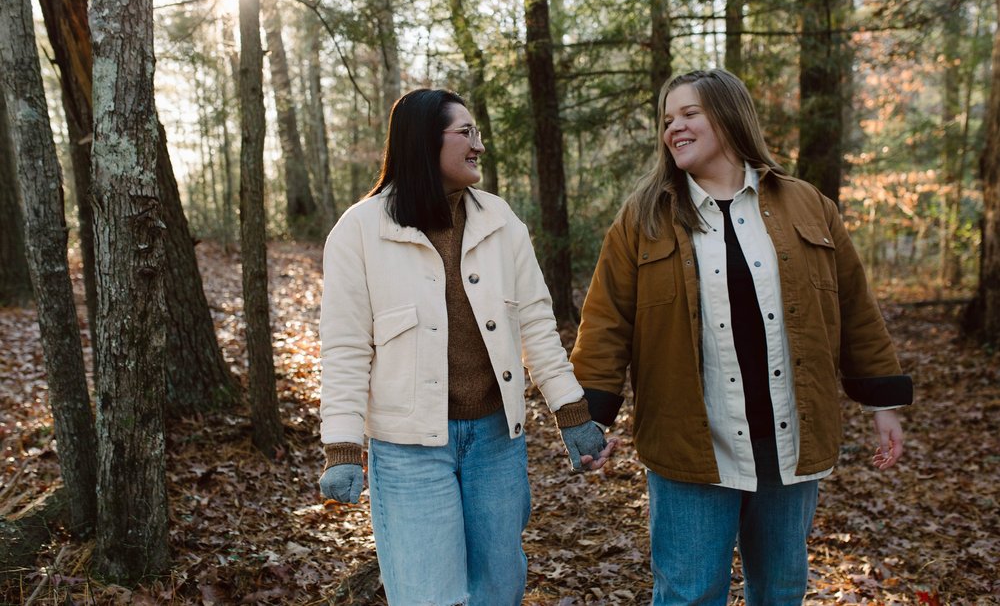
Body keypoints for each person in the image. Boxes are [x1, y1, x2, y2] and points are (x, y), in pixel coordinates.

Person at [570, 68, 913, 605]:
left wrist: (882, 403)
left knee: (779, 591)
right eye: (666, 120)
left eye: (689, 114)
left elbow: (854, 308)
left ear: (729, 118)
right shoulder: (643, 218)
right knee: (689, 594)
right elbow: (606, 323)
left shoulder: (808, 204)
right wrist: (588, 416)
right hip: (691, 444)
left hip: (788, 437)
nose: (674, 129)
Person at [317, 88, 614, 605]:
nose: (479, 145)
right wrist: (343, 449)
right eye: (467, 133)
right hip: (409, 451)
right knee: (427, 595)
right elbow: (344, 349)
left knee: (499, 590)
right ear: (423, 141)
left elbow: (539, 326)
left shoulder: (501, 221)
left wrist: (574, 416)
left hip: (496, 443)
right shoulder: (359, 231)